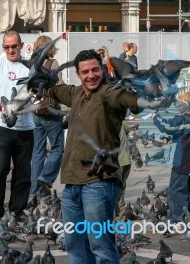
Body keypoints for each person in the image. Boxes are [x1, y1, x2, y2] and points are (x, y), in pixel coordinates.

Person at [41, 49, 142, 263]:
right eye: (85, 72)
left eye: (95, 70)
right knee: (76, 245)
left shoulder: (109, 92)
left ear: (102, 70)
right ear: (78, 74)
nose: (91, 75)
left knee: (101, 246)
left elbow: (134, 102)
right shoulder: (76, 93)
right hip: (71, 184)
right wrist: (41, 81)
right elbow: (57, 90)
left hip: (99, 183)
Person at [0, 30, 34, 221]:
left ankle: (17, 210)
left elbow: (37, 92)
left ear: (21, 45)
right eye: (7, 47)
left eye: (14, 46)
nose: (11, 50)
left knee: (23, 173)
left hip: (25, 127)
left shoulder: (29, 66)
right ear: (3, 47)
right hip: (1, 125)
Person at [153, 91, 190, 222]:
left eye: (182, 102)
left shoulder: (183, 119)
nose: (179, 104)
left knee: (176, 192)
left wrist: (155, 116)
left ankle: (179, 219)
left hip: (183, 162)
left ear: (188, 105)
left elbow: (167, 127)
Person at [30, 35, 65, 197]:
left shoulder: (32, 64)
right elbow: (59, 86)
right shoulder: (53, 63)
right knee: (57, 147)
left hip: (35, 111)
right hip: (50, 111)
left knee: (38, 151)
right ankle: (46, 177)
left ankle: (35, 191)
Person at [114, 121, 132, 221]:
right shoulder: (118, 119)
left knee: (112, 191)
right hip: (126, 161)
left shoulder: (103, 122)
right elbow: (129, 130)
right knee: (121, 190)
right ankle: (121, 217)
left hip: (116, 163)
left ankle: (117, 219)